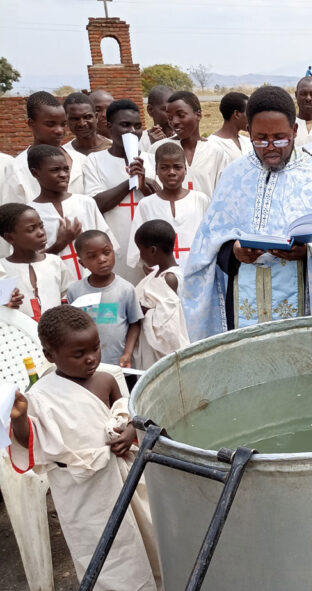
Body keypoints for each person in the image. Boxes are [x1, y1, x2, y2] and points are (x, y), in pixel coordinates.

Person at [183, 86, 312, 341]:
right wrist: (234, 252)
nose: (271, 148)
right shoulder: (234, 175)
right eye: (261, 139)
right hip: (244, 305)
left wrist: (307, 252)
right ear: (248, 132)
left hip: (302, 305)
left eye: (280, 138)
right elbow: (207, 245)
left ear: (295, 131)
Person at [8, 304, 162, 590]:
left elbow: (133, 416)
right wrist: (18, 419)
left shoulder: (106, 379)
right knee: (107, 559)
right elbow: (31, 441)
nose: (91, 359)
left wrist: (129, 433)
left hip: (126, 479)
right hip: (83, 495)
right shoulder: (40, 397)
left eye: (95, 348)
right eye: (79, 354)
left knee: (146, 542)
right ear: (50, 356)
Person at [83, 99, 157, 284]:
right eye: (125, 125)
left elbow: (161, 199)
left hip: (147, 241)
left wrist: (143, 183)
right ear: (109, 127)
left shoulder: (150, 159)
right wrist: (130, 182)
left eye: (137, 126)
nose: (132, 131)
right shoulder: (95, 160)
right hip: (114, 241)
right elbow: (96, 204)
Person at [28, 144, 115, 281]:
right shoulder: (29, 213)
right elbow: (26, 262)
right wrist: (60, 244)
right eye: (55, 170)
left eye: (66, 169)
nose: (63, 175)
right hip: (53, 283)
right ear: (35, 173)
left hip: (93, 283)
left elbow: (108, 245)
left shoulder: (86, 203)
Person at [126, 142, 210, 272]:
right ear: (156, 170)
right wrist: (146, 265)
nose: (171, 172)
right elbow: (137, 246)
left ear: (185, 169)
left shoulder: (200, 200)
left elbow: (210, 238)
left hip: (196, 273)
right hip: (160, 275)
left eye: (177, 167)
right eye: (164, 167)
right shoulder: (146, 204)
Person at [66, 230, 143, 367]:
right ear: (82, 263)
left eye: (106, 252)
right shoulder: (74, 291)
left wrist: (127, 354)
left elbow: (135, 323)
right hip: (89, 365)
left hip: (121, 364)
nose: (102, 259)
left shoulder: (126, 289)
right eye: (92, 256)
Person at [5, 91, 87, 203]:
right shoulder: (17, 168)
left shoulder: (82, 161)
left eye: (63, 124)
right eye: (50, 124)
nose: (59, 131)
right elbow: (11, 216)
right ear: (31, 123)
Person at [149, 91, 232, 198]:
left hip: (205, 213)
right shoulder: (157, 148)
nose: (174, 122)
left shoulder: (216, 152)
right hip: (167, 214)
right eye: (170, 118)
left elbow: (224, 194)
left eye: (181, 115)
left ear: (198, 115)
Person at [0, 203, 73, 320]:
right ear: (10, 238)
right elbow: (4, 305)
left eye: (41, 226)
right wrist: (6, 303)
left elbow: (69, 297)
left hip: (57, 333)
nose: (41, 233)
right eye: (31, 229)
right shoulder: (2, 269)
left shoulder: (55, 262)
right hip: (21, 335)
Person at [132, 219, 188, 369]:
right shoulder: (157, 274)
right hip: (150, 350)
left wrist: (141, 310)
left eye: (140, 249)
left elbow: (166, 325)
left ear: (152, 250)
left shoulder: (169, 278)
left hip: (162, 355)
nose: (140, 254)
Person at [207, 91, 251, 160]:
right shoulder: (211, 145)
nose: (251, 117)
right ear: (237, 114)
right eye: (249, 113)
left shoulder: (248, 142)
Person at [138, 85, 175, 152]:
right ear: (150, 110)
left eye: (175, 110)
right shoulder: (140, 141)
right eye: (166, 110)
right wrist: (154, 146)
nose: (172, 116)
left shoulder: (183, 139)